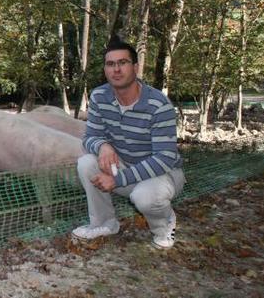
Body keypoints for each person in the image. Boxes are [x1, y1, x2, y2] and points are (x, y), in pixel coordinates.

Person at [71, 38, 185, 249]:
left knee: (145, 197)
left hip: (163, 173)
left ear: (135, 67)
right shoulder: (99, 96)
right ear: (105, 69)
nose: (116, 69)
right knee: (87, 162)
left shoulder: (158, 104)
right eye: (110, 64)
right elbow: (90, 138)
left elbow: (165, 158)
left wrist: (118, 179)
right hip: (125, 166)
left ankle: (165, 223)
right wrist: (103, 146)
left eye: (122, 63)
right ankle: (104, 223)